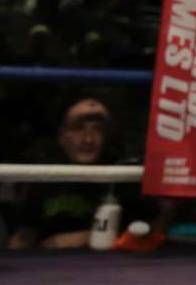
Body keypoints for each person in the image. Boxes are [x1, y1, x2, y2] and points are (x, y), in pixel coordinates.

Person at [8, 96, 136, 250]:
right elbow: (25, 233)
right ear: (62, 136)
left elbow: (141, 232)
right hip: (46, 267)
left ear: (107, 136)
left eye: (97, 129)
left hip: (111, 266)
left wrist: (86, 236)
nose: (88, 139)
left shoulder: (124, 176)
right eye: (78, 128)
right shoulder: (43, 174)